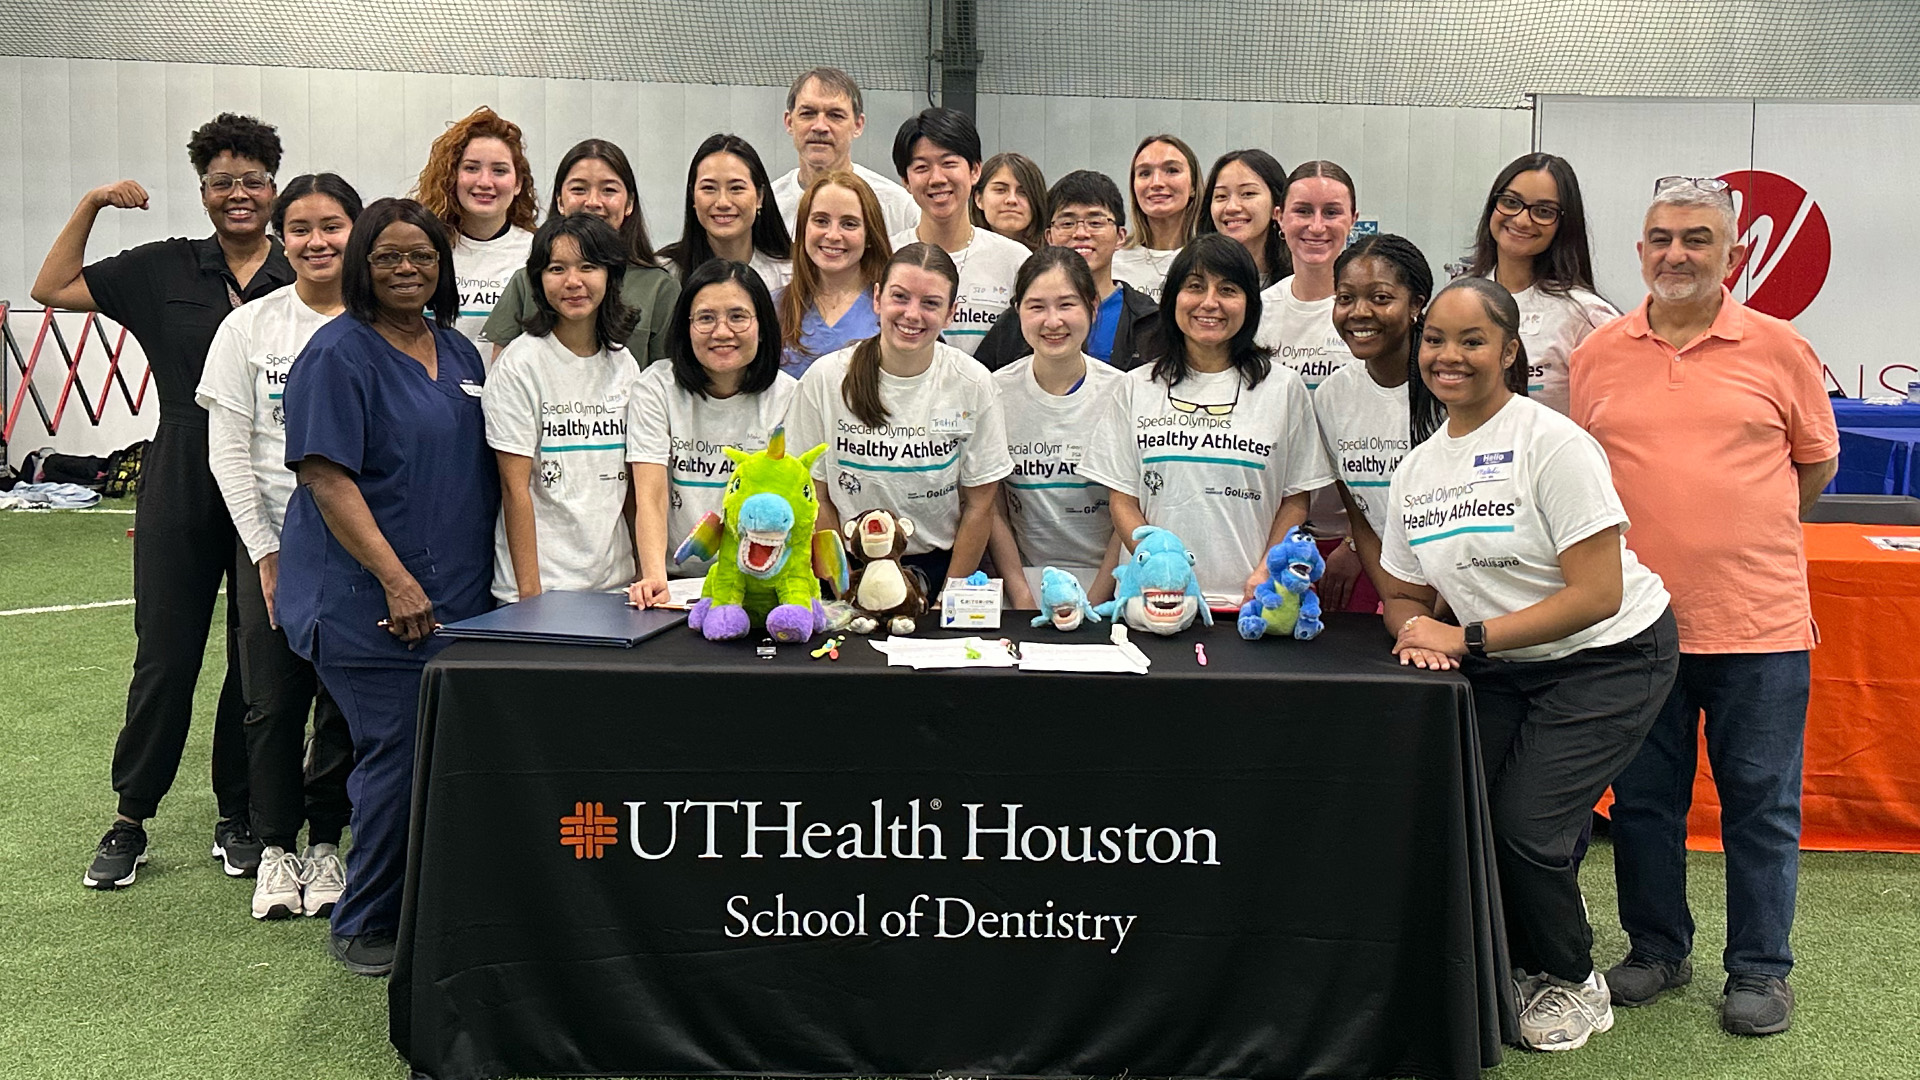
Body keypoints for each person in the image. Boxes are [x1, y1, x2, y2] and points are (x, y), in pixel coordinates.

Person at [1380, 276, 1679, 1054]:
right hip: (1510, 665)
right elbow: (1402, 590)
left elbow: (1598, 593)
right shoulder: (1416, 470)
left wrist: (1466, 640)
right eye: (1436, 339)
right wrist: (1412, 625)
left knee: (1526, 829)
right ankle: (1510, 960)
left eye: (1472, 340)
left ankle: (1575, 979)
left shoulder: (1553, 442)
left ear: (1510, 352)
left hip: (1611, 654)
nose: (1450, 355)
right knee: (1465, 812)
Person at [1570, 176, 1839, 1038]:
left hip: (1758, 627)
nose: (1676, 254)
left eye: (1696, 238)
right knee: (1645, 802)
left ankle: (1760, 969)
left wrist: (1735, 533)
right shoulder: (1599, 354)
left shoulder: (1781, 348)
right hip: (1638, 626)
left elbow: (1814, 468)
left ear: (1735, 252)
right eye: (1659, 238)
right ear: (1639, 250)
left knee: (1762, 803)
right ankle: (1657, 948)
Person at [33, 112, 291, 891]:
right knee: (166, 654)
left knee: (258, 660)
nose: (238, 194)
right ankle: (130, 815)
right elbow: (51, 286)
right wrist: (92, 202)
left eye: (252, 180)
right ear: (204, 191)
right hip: (182, 465)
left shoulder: (303, 275)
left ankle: (235, 812)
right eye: (222, 183)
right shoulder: (165, 267)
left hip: (271, 475)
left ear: (273, 188)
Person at [277, 198, 499, 976]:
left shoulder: (460, 354)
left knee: (434, 761)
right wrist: (398, 582)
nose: (408, 270)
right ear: (360, 265)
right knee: (395, 761)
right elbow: (326, 477)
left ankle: (420, 902)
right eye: (388, 258)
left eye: (423, 257)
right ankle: (365, 921)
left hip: (460, 605)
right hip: (372, 606)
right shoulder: (337, 354)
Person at [194, 173, 361, 920]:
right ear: (280, 237)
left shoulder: (383, 323)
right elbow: (229, 450)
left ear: (357, 231)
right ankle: (274, 847)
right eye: (300, 228)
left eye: (332, 226)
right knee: (271, 700)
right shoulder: (249, 328)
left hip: (360, 545)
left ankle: (325, 843)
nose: (317, 241)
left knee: (343, 702)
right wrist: (264, 550)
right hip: (276, 545)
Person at [1081, 233, 1333, 603]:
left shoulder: (1284, 388)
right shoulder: (1136, 387)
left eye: (1228, 290)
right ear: (1173, 300)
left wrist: (1265, 572)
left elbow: (1295, 499)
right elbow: (1122, 500)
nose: (1209, 303)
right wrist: (1159, 569)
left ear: (1250, 303)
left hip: (1250, 601)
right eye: (1195, 287)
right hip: (1154, 601)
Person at [785, 243, 1013, 590]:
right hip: (846, 569)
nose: (912, 314)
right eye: (900, 297)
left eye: (930, 303)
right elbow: (815, 495)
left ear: (951, 313)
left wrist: (947, 598)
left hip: (936, 570)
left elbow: (980, 506)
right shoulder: (825, 379)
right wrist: (844, 589)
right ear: (877, 299)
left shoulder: (974, 384)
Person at [486, 214, 642, 604]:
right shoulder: (521, 364)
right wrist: (529, 597)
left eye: (588, 266)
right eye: (557, 269)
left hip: (614, 584)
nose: (573, 282)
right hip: (542, 589)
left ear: (611, 274)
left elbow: (633, 485)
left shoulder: (624, 364)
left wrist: (641, 570)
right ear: (538, 279)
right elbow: (513, 488)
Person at [628, 260, 799, 603]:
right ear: (686, 327)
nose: (722, 332)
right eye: (706, 318)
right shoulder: (656, 388)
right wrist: (654, 578)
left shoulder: (788, 395)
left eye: (737, 317)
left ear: (762, 326)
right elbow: (651, 495)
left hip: (756, 584)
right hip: (675, 581)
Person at [985, 247, 1129, 609]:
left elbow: (1130, 505)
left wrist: (1096, 599)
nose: (1052, 321)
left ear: (1092, 307)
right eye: (1036, 307)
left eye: (1067, 305)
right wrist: (1020, 594)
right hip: (1026, 584)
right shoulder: (993, 392)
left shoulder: (1124, 392)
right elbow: (993, 506)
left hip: (1110, 584)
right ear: (1017, 311)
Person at [1255, 160, 1362, 606]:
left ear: (1353, 220)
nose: (1317, 226)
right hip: (1270, 534)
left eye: (1332, 212)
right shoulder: (1257, 313)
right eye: (1303, 211)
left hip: (1355, 540)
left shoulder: (1369, 314)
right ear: (1279, 218)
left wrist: (1357, 544)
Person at [1313, 233, 1430, 614]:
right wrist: (1398, 602)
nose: (1358, 312)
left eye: (1380, 298)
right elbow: (1361, 517)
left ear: (1416, 304)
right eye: (1345, 298)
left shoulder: (1447, 387)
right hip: (1399, 590)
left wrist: (1436, 610)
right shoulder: (1332, 396)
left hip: (1468, 594)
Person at [484, 139, 680, 365]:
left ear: (629, 203)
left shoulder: (660, 288)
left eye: (609, 190)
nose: (593, 202)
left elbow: (666, 382)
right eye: (579, 189)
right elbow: (501, 371)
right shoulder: (526, 282)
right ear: (559, 200)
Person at [1468, 153, 1618, 414]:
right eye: (1511, 202)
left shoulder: (1587, 316)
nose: (1522, 220)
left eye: (1543, 211)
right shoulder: (1461, 297)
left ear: (1564, 224)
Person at [974, 170, 1166, 373]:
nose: (1081, 233)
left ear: (1120, 236)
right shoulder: (1018, 319)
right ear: (1049, 237)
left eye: (1095, 222)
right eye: (1067, 223)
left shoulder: (1150, 321)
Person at [888, 108, 1030, 357]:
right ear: (906, 181)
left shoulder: (1015, 260)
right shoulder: (887, 255)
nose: (937, 178)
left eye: (949, 163)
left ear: (975, 170)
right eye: (921, 167)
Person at [412, 106, 538, 351]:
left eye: (499, 170)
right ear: (452, 177)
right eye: (471, 168)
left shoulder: (537, 252)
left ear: (518, 184)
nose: (484, 182)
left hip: (510, 389)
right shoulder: (426, 249)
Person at [770, 67, 920, 237]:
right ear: (789, 122)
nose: (820, 126)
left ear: (858, 125)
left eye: (835, 115)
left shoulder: (898, 207)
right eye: (808, 113)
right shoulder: (770, 206)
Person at [776, 171, 892, 379]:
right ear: (803, 229)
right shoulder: (773, 308)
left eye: (849, 224)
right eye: (821, 221)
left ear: (869, 235)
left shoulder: (891, 309)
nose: (832, 235)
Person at [659, 134, 794, 292]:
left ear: (759, 197)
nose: (723, 202)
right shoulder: (665, 275)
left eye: (736, 188)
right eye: (709, 188)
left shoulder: (789, 277)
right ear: (692, 197)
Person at [1111, 134, 1202, 303]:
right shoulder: (1112, 261)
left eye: (1172, 170)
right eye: (1145, 173)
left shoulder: (1211, 259)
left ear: (1194, 186)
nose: (1156, 183)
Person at [1196, 149, 1292, 289]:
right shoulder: (1191, 276)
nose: (1231, 207)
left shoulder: (1298, 281)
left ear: (1277, 206)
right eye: (1221, 196)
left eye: (1248, 194)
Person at [971, 152, 1048, 251]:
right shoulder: (961, 255)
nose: (1012, 200)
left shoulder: (1055, 259)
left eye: (1023, 192)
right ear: (979, 199)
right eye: (1000, 190)